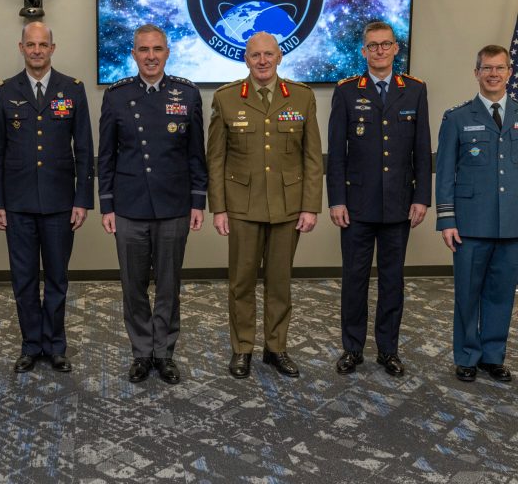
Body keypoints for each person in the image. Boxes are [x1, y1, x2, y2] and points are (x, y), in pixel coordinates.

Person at [207, 31, 322, 379]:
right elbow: (215, 158)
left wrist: (310, 206)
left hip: (287, 207)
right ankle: (242, 348)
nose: (262, 60)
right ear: (246, 58)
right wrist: (219, 208)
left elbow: (312, 157)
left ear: (279, 57)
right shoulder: (227, 98)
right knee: (240, 283)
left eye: (268, 54)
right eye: (255, 55)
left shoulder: (301, 97)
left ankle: (276, 347)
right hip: (242, 206)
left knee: (280, 282)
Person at [98, 23, 207, 385]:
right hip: (129, 207)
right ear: (133, 54)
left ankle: (164, 352)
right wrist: (107, 205)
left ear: (167, 52)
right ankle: (141, 352)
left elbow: (196, 155)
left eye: (157, 49)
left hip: (173, 205)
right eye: (143, 50)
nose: (150, 56)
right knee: (133, 286)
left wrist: (197, 201)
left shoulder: (187, 95)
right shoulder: (116, 96)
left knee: (168, 285)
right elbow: (106, 157)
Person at [0, 21, 93, 373]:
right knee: (25, 279)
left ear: (52, 47)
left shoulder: (72, 90)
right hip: (17, 204)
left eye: (42, 45)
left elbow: (85, 151)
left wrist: (82, 200)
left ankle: (56, 345)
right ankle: (31, 345)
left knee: (58, 278)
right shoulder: (4, 91)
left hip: (61, 204)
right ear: (21, 48)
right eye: (30, 45)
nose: (36, 50)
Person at [326, 21, 431, 377]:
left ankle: (388, 350)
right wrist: (336, 200)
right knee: (354, 280)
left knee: (392, 281)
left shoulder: (414, 91)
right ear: (364, 51)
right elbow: (336, 154)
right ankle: (352, 349)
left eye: (386, 45)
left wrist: (422, 198)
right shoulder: (346, 92)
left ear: (396, 49)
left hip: (399, 205)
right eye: (373, 46)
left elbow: (421, 150)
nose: (380, 51)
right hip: (356, 206)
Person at [436, 44, 518, 383]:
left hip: (512, 224)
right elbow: (444, 174)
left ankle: (492, 356)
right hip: (470, 224)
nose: (494, 74)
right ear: (476, 73)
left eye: (500, 68)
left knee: (501, 294)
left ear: (510, 72)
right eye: (487, 68)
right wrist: (447, 220)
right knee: (467, 294)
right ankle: (467, 355)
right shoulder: (457, 118)